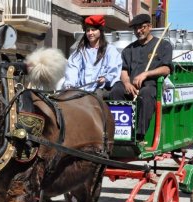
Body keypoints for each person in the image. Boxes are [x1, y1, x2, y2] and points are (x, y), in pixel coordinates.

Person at [109, 13, 173, 143]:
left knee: (146, 93)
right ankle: (119, 131)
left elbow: (166, 68)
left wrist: (146, 74)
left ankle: (139, 135)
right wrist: (126, 83)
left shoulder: (163, 45)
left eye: (142, 27)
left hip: (151, 85)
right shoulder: (129, 49)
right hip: (131, 85)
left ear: (149, 26)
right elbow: (124, 70)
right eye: (136, 29)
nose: (138, 31)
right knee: (116, 89)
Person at [63, 15, 122, 98]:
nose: (90, 33)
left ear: (100, 31)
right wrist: (70, 84)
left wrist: (105, 78)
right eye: (88, 30)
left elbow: (114, 70)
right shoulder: (80, 51)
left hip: (101, 89)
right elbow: (72, 68)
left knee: (95, 98)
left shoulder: (110, 50)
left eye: (93, 30)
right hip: (81, 89)